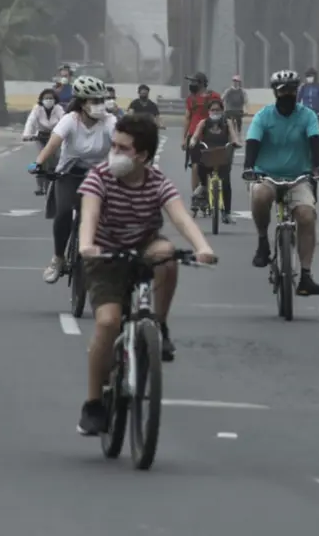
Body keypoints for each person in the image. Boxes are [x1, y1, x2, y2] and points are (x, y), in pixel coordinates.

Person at [75, 114, 217, 434]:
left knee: (167, 255)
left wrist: (202, 247)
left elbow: (180, 217)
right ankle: (94, 403)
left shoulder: (156, 181)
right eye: (113, 146)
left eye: (122, 149)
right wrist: (86, 245)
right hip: (105, 255)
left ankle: (159, 326)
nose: (114, 154)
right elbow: (89, 215)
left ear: (142, 156)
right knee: (108, 322)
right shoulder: (99, 178)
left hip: (143, 248)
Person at [242, 69, 319, 296]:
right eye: (282, 90)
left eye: (291, 90)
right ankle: (262, 241)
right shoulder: (263, 116)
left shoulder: (307, 115)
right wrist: (249, 167)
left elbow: (315, 142)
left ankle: (306, 275)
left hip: (298, 177)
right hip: (266, 175)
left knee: (307, 216)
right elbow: (252, 142)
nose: (287, 94)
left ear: (297, 91)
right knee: (259, 195)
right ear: (275, 93)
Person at [29, 76, 115, 284]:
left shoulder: (110, 121)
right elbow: (52, 145)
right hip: (69, 173)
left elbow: (121, 143)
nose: (99, 106)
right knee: (64, 212)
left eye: (101, 100)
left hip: (99, 175)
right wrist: (39, 163)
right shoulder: (70, 120)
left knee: (110, 215)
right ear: (82, 103)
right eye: (94, 101)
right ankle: (58, 258)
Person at [192, 98, 241, 224]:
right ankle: (203, 185)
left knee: (226, 183)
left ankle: (227, 213)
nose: (215, 112)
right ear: (208, 111)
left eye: (218, 110)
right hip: (207, 153)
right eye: (213, 110)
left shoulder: (227, 122)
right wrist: (193, 142)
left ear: (222, 111)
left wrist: (235, 142)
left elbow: (233, 135)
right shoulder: (203, 122)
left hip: (222, 153)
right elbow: (195, 135)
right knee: (200, 168)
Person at [182, 72, 221, 200]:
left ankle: (209, 189)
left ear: (202, 83)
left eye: (194, 82)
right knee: (195, 165)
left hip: (212, 134)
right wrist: (184, 138)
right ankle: (196, 195)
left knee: (212, 165)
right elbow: (187, 118)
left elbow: (221, 114)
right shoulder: (191, 99)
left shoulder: (214, 96)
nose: (192, 85)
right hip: (195, 135)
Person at [22, 88, 66, 194]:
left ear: (55, 100)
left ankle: (58, 181)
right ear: (41, 100)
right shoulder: (37, 109)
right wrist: (27, 134)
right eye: (46, 98)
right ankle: (39, 185)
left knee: (56, 159)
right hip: (41, 137)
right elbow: (30, 121)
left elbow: (64, 121)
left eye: (51, 98)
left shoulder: (59, 109)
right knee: (41, 160)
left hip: (55, 136)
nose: (48, 100)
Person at [297, 67, 319, 140]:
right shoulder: (303, 87)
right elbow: (297, 99)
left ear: (315, 77)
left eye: (311, 76)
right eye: (307, 76)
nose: (309, 78)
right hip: (306, 113)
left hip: (318, 113)